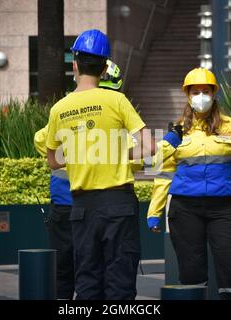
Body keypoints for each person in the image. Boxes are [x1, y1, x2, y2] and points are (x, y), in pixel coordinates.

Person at [45, 29, 154, 300]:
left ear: (75, 63)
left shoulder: (59, 108)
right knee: (120, 283)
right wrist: (115, 153)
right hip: (119, 204)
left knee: (88, 282)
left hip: (81, 208)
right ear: (105, 68)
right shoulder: (116, 100)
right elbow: (150, 147)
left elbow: (53, 161)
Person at [146, 68, 231, 300]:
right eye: (195, 92)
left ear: (214, 93)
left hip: (223, 209)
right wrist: (154, 211)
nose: (201, 96)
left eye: (205, 91)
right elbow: (164, 174)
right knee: (191, 273)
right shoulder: (177, 131)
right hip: (185, 210)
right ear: (188, 95)